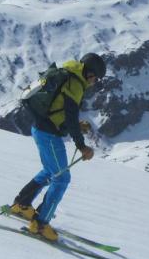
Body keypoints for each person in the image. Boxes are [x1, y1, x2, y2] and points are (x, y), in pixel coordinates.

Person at [7, 53, 107, 241]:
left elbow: (61, 109)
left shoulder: (68, 71)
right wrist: (82, 146)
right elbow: (69, 115)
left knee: (50, 171)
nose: (95, 83)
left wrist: (77, 126)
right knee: (61, 178)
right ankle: (40, 225)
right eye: (96, 78)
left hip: (41, 128)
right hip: (49, 134)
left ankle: (21, 205)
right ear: (90, 74)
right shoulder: (76, 84)